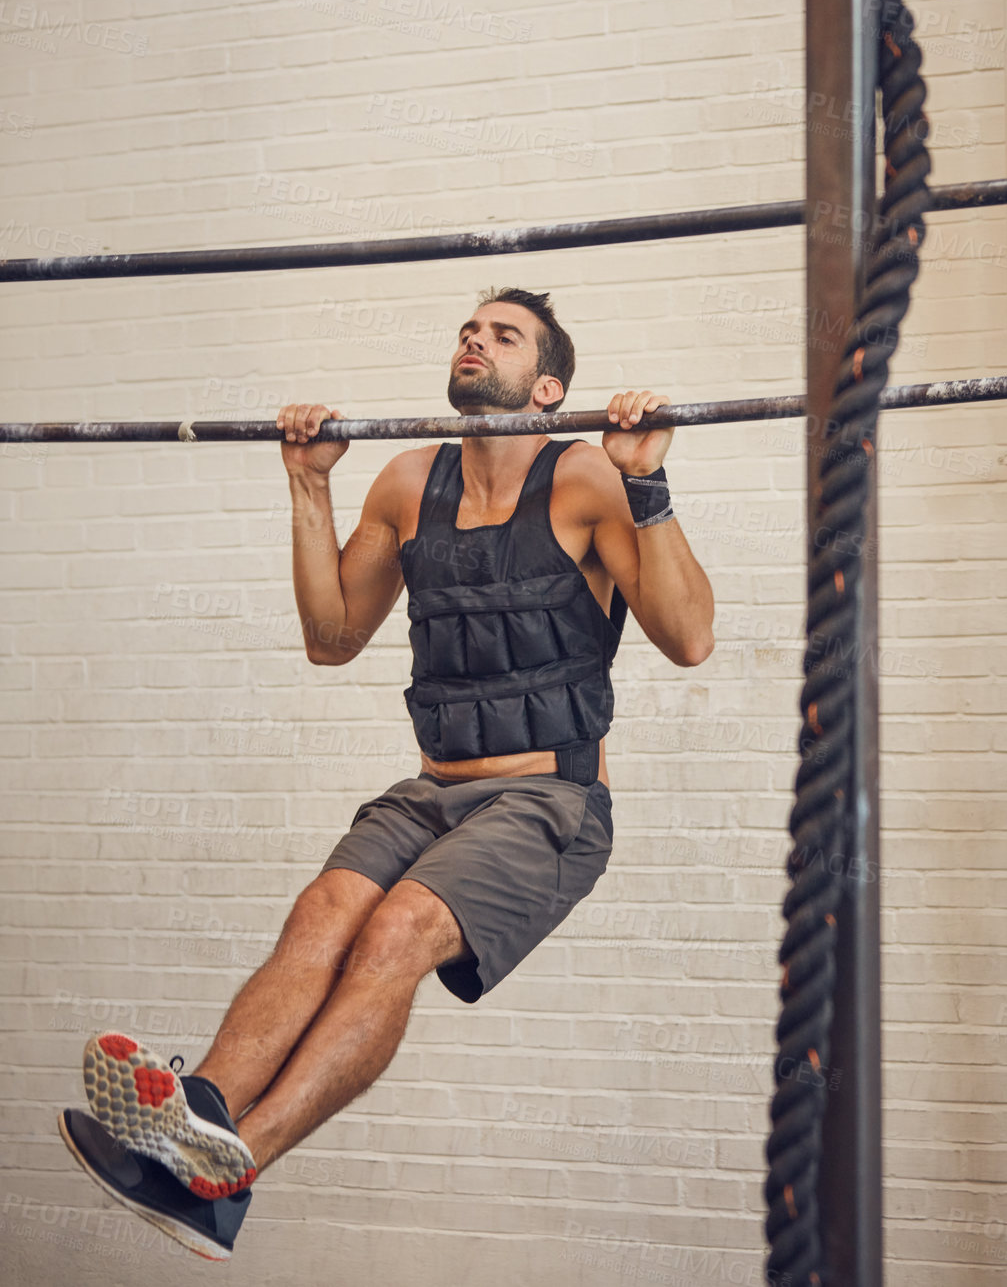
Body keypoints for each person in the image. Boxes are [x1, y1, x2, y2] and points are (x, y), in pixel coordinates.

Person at [58, 286, 715, 1259]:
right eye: (467, 328)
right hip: (429, 786)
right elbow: (332, 637)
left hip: (549, 797)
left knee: (397, 929)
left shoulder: (585, 478)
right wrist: (307, 482)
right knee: (325, 910)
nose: (472, 339)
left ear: (545, 386)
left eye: (501, 333)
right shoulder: (408, 482)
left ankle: (228, 1170)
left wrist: (648, 482)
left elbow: (690, 635)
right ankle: (193, 1116)